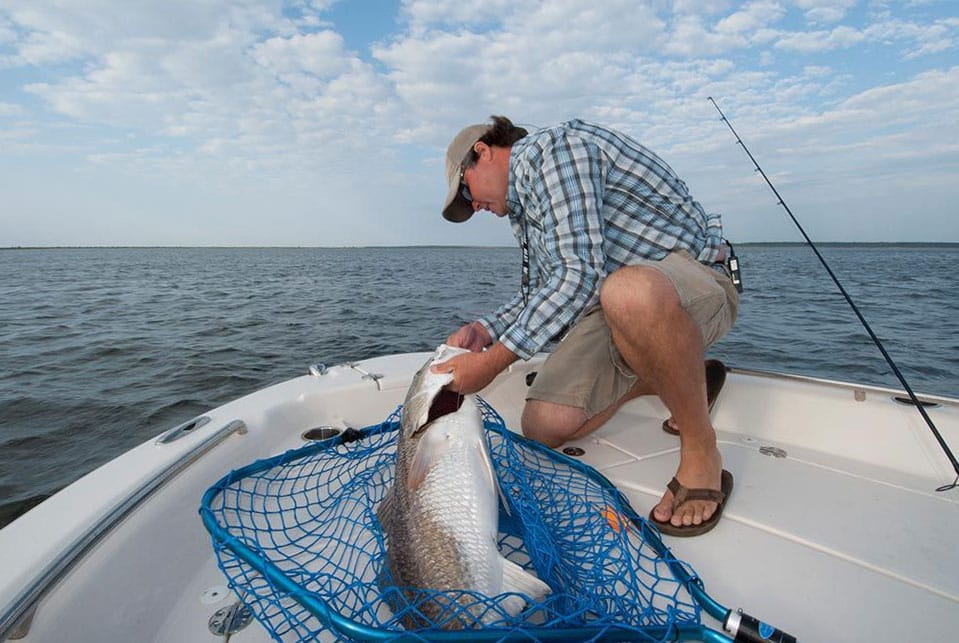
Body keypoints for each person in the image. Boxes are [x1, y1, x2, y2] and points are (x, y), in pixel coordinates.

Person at [432, 116, 739, 536]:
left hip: (694, 281)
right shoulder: (524, 210)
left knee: (626, 292)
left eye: (466, 192)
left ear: (483, 152)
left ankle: (702, 453)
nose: (475, 208)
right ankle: (683, 377)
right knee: (543, 425)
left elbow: (578, 277)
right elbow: (544, 291)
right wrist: (486, 331)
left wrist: (493, 364)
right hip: (614, 302)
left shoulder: (555, 152)